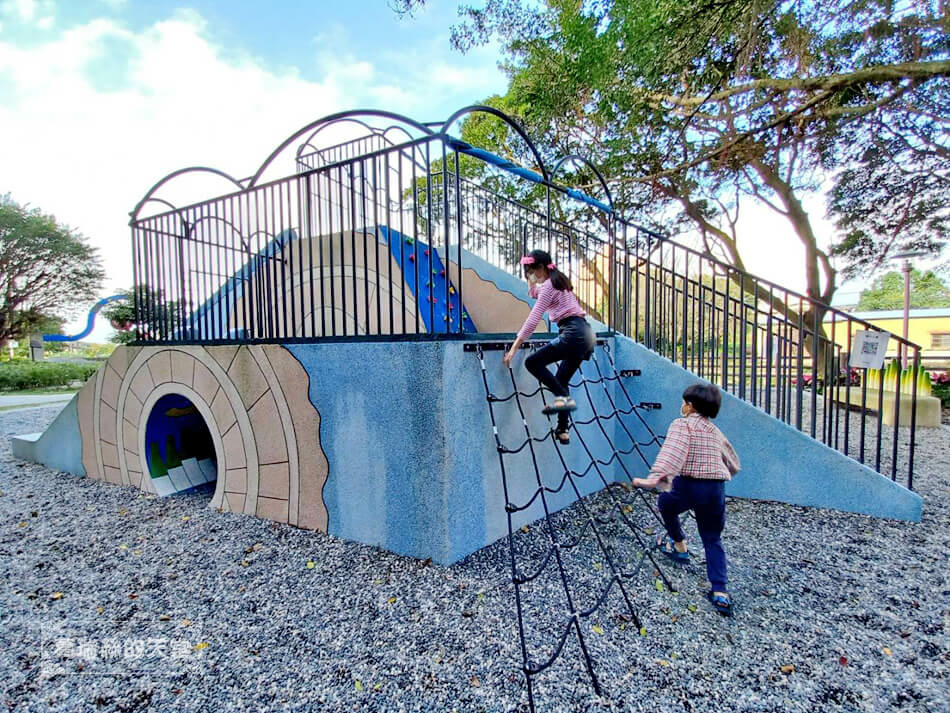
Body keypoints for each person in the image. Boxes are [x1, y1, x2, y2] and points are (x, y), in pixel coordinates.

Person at [632, 383, 739, 616]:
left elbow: (673, 452)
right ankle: (720, 591)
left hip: (689, 483)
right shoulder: (714, 431)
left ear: (690, 406)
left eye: (684, 402)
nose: (682, 406)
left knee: (665, 504)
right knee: (712, 537)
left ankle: (680, 546)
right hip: (715, 488)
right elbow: (731, 459)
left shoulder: (682, 425)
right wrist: (726, 472)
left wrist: (654, 479)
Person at [502, 250, 595, 445]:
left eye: (531, 270)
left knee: (532, 362)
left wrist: (514, 348)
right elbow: (536, 293)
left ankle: (562, 398)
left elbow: (532, 320)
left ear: (542, 268)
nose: (529, 274)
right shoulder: (558, 281)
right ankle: (563, 430)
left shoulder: (549, 286)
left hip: (572, 333)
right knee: (561, 380)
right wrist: (530, 281)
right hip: (585, 334)